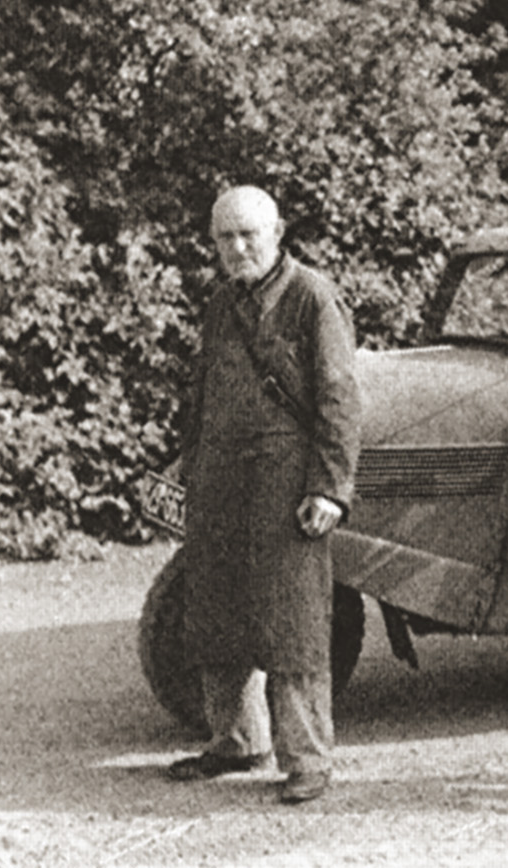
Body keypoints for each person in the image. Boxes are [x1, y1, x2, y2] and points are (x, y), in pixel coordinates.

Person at [166, 186, 361, 805]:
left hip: (286, 484)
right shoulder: (222, 302)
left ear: (278, 232)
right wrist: (187, 465)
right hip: (220, 483)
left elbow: (339, 399)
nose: (238, 247)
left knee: (292, 623)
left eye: (249, 234)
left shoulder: (312, 297)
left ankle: (307, 759)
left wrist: (330, 486)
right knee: (217, 611)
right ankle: (236, 740)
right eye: (225, 237)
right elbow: (201, 394)